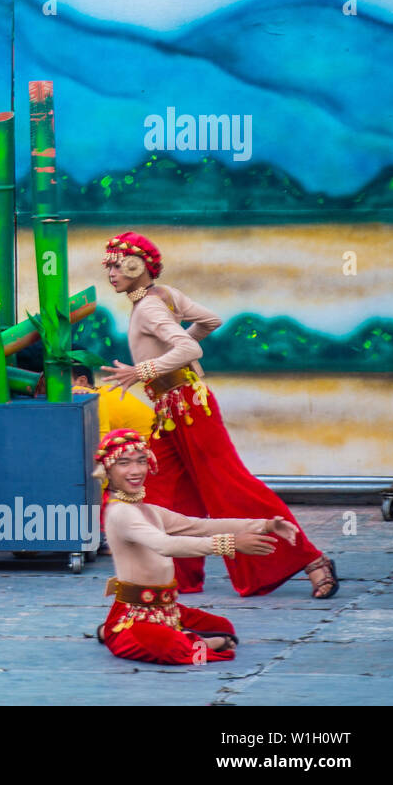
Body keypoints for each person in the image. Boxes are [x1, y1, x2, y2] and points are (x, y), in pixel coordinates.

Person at [98, 232, 337, 599]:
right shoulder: (163, 295)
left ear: (137, 265)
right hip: (172, 410)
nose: (110, 272)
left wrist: (144, 371)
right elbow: (210, 320)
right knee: (162, 490)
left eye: (117, 264)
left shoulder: (148, 306)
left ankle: (312, 559)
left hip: (188, 408)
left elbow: (190, 345)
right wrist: (166, 357)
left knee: (229, 487)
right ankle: (176, 576)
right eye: (109, 265)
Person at [94, 429, 298, 665]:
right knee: (175, 649)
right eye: (124, 463)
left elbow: (199, 526)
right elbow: (166, 545)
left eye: (141, 461)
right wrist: (231, 544)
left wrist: (265, 524)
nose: (136, 470)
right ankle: (116, 632)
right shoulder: (120, 513)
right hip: (133, 616)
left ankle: (122, 632)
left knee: (223, 627)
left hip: (165, 610)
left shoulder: (148, 510)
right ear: (107, 469)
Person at [71, 363, 155, 439]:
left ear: (82, 381)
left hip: (146, 449)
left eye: (62, 381)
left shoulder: (88, 396)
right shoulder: (108, 389)